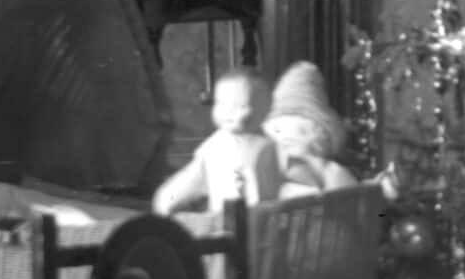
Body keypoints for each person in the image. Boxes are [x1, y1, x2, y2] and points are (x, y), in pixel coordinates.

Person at [151, 68, 281, 217]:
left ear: (265, 109)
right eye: (221, 103)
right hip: (224, 221)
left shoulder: (272, 145)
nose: (228, 112)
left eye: (240, 106)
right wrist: (168, 198)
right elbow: (192, 178)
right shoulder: (214, 147)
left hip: (269, 220)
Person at [263, 60, 358, 197]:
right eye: (278, 131)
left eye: (302, 131)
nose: (286, 138)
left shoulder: (330, 171)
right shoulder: (269, 169)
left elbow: (349, 199)